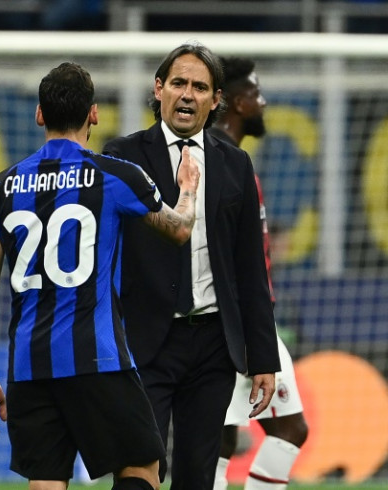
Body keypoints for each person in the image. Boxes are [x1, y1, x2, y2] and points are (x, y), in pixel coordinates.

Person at [0, 61, 201, 490]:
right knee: (141, 469)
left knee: (45, 481)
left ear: (40, 114)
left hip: (28, 365)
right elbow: (180, 229)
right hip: (98, 359)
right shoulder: (115, 175)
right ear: (93, 114)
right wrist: (187, 186)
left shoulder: (1, 187)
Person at [102, 42, 281, 490]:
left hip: (214, 345)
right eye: (178, 83)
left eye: (200, 87)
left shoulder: (236, 164)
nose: (187, 94)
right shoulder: (122, 156)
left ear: (215, 100)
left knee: (197, 476)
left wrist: (263, 356)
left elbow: (249, 269)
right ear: (158, 89)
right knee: (137, 468)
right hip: (145, 341)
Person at [210, 56, 308, 490]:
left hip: (236, 321)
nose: (263, 101)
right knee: (287, 429)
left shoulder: (233, 160)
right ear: (235, 102)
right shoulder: (219, 161)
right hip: (239, 324)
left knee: (220, 437)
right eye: (255, 93)